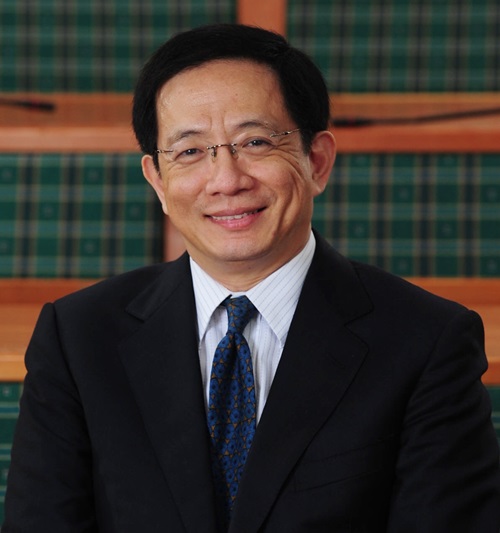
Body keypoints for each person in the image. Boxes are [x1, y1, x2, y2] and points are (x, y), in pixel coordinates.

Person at [3, 23, 500, 533]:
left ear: (317, 161)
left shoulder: (427, 341)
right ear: (158, 180)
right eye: (190, 151)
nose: (227, 180)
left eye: (256, 141)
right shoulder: (78, 337)